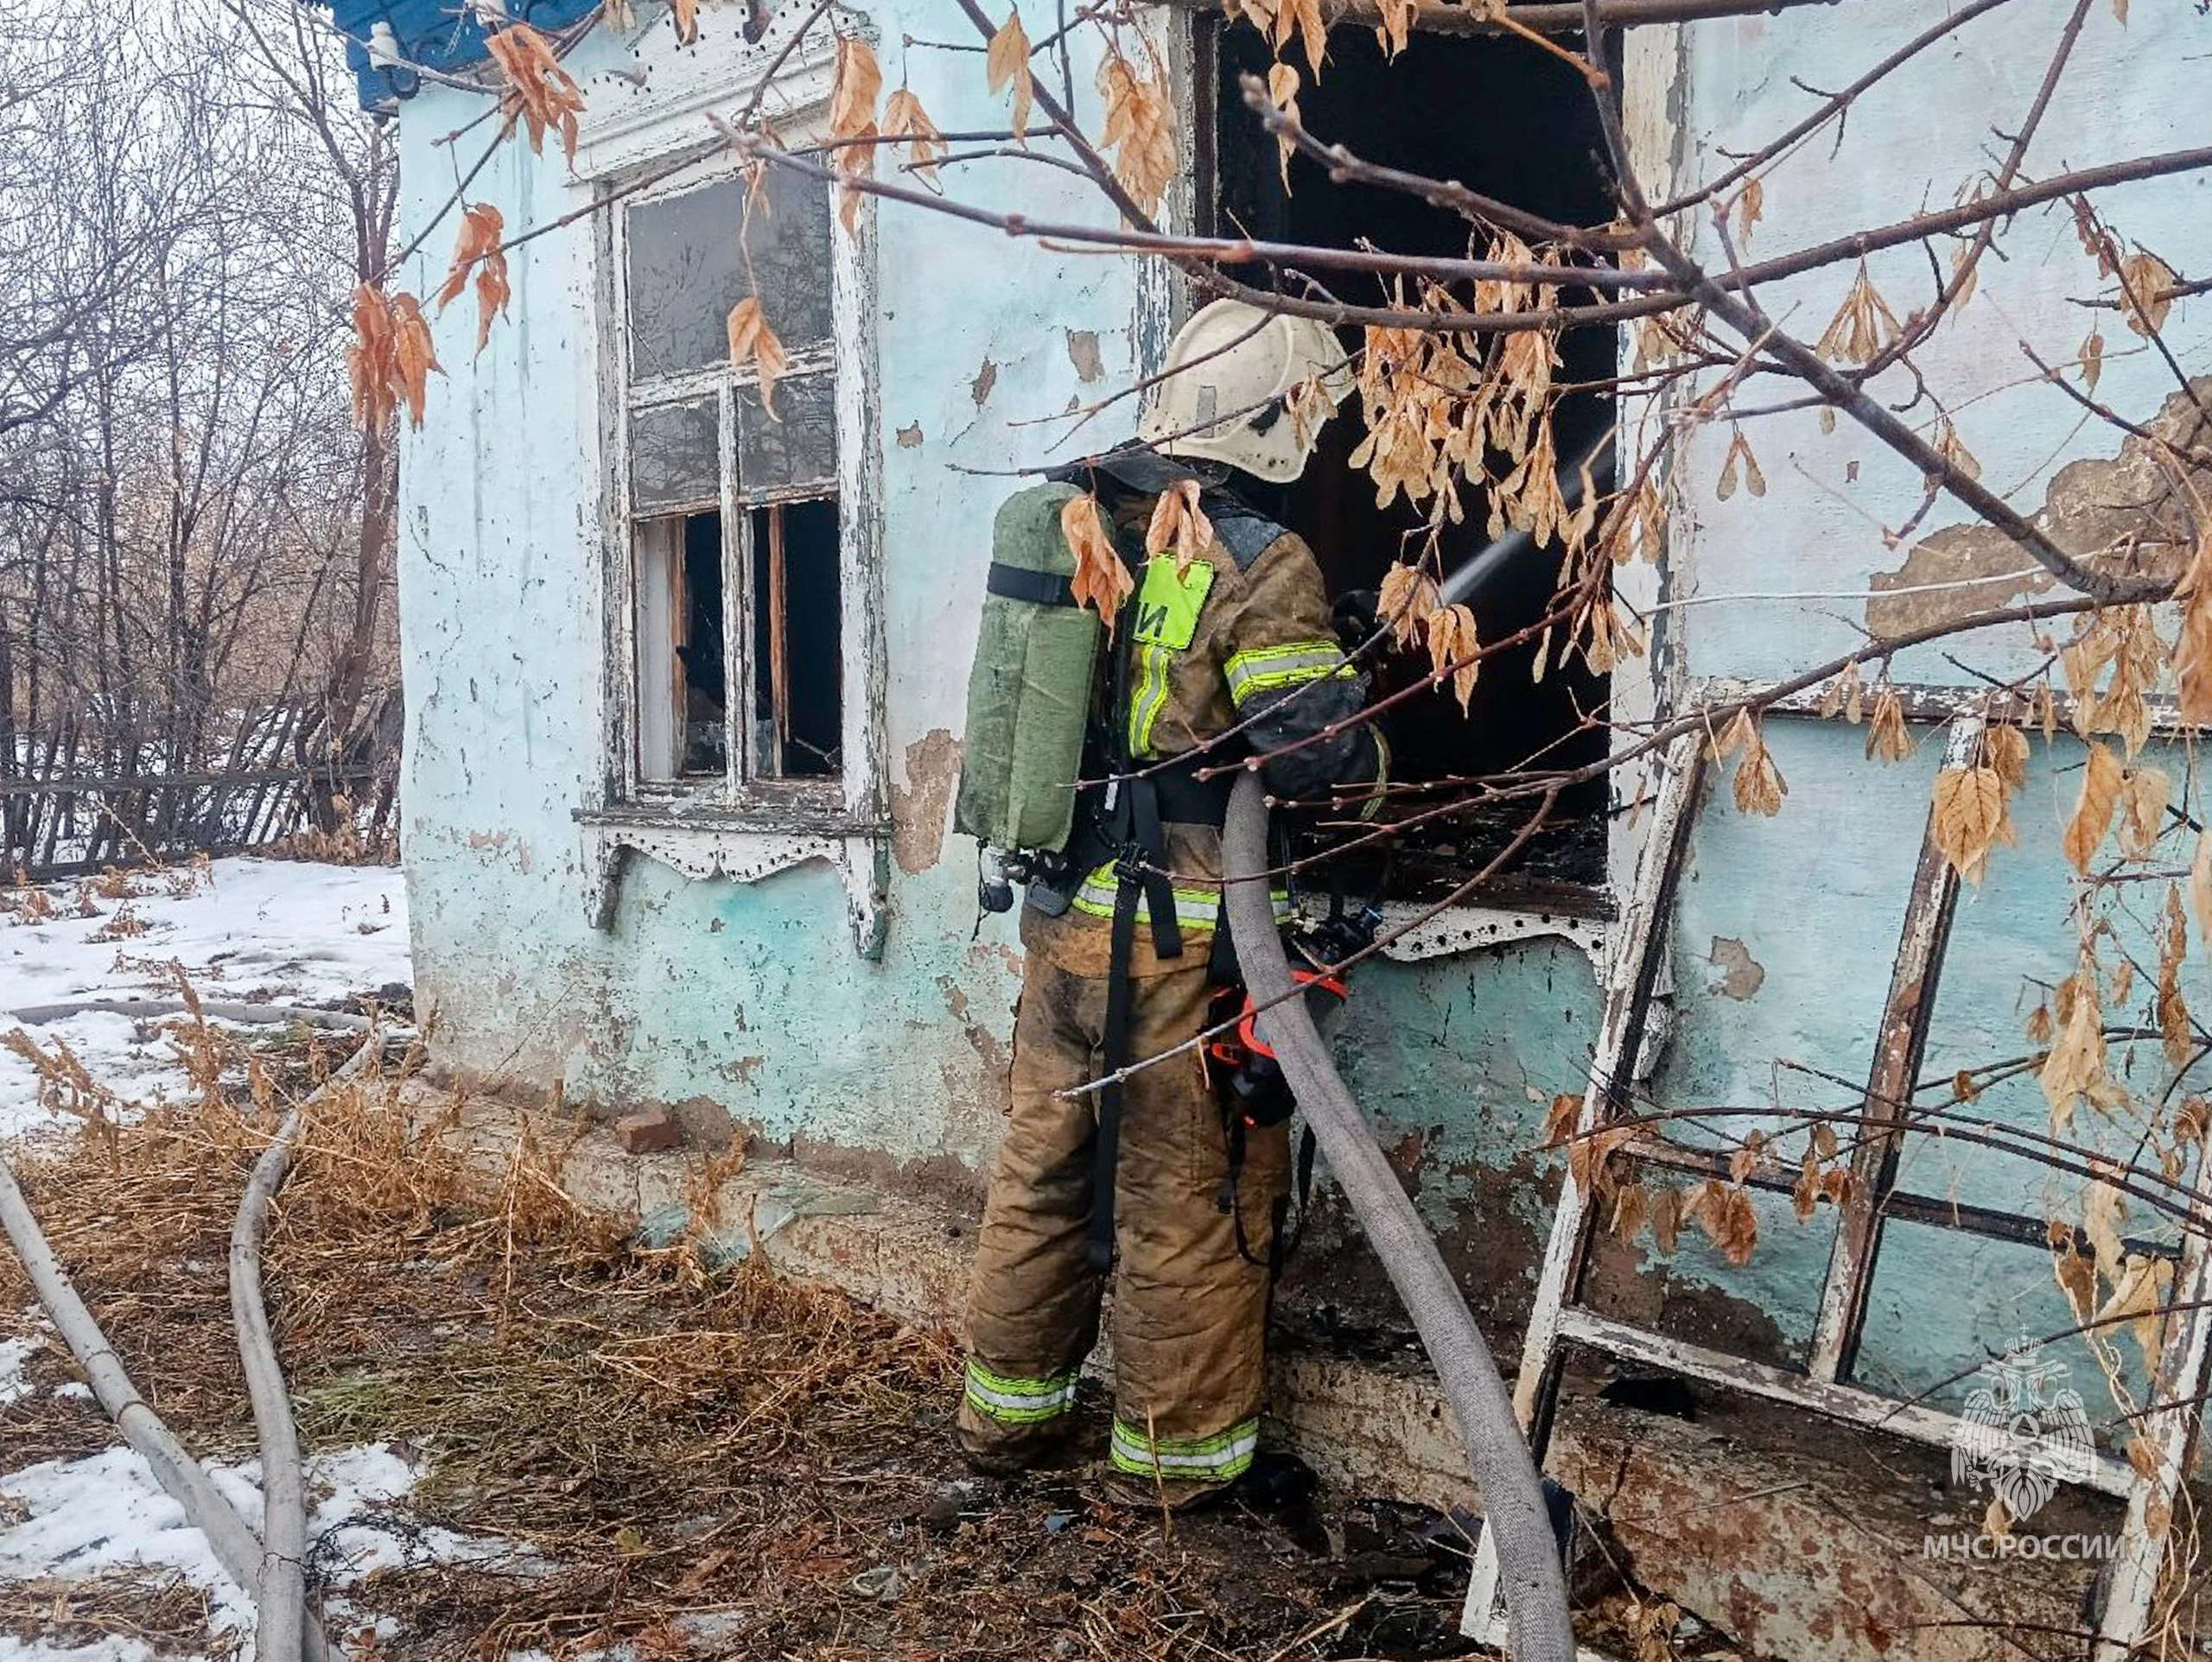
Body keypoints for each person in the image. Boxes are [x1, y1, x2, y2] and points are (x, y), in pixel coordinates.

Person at [957, 299, 1388, 1506]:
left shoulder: (1090, 521)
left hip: (1063, 924)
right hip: (1182, 949)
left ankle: (1005, 1425)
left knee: (1043, 1173)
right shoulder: (1255, 557)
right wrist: (1368, 723)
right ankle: (1172, 1472)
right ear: (1274, 421)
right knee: (1189, 1202)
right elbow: (1315, 759)